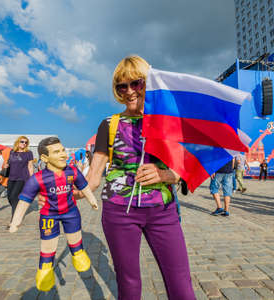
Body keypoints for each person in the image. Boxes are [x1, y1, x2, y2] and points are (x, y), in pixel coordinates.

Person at [38, 56, 196, 299]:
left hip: (163, 211)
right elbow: (93, 178)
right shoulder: (109, 124)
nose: (129, 91)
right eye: (122, 86)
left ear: (148, 84)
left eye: (136, 83)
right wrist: (63, 195)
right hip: (119, 212)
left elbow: (185, 170)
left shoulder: (168, 121)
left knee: (181, 284)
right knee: (129, 284)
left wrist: (163, 174)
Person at [9, 137, 98, 292]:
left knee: (75, 238)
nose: (63, 154)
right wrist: (16, 221)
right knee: (48, 244)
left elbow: (84, 187)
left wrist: (92, 200)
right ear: (44, 158)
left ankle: (78, 254)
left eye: (63, 150)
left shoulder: (73, 171)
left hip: (71, 212)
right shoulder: (37, 178)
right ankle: (45, 269)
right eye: (57, 152)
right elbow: (24, 201)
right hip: (49, 216)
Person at [5, 136, 34, 222]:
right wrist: (6, 165)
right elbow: (9, 162)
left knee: (14, 197)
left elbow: (30, 166)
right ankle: (18, 209)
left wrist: (32, 179)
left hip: (22, 178)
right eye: (22, 141)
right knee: (9, 197)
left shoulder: (29, 153)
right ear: (18, 142)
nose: (24, 144)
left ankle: (14, 220)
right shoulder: (12, 152)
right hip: (11, 177)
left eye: (26, 142)